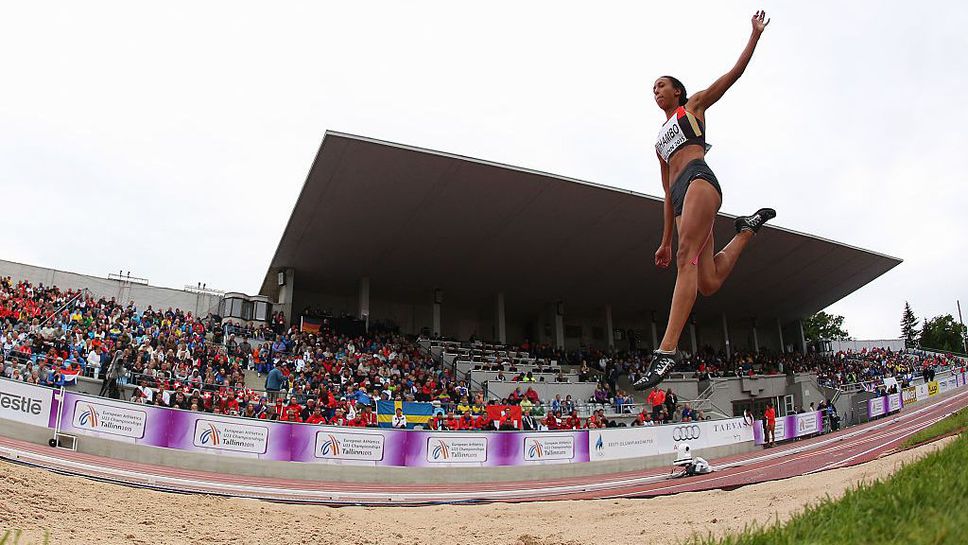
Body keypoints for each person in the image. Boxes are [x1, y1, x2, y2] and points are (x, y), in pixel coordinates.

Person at [636, 10, 775, 391]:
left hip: (700, 180)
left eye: (661, 85)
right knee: (708, 280)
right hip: (680, 196)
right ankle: (745, 231)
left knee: (687, 260)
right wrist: (665, 239)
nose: (656, 91)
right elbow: (666, 193)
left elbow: (733, 75)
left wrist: (754, 36)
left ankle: (665, 352)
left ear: (677, 92)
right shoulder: (659, 143)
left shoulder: (693, 107)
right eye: (653, 88)